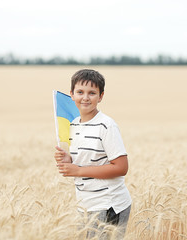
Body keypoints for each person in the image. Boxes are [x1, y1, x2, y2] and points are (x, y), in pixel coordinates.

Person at [54, 69, 132, 239]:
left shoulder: (106, 126)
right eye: (80, 92)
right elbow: (87, 159)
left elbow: (121, 167)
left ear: (101, 96)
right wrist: (69, 160)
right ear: (72, 95)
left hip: (109, 205)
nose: (85, 97)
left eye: (92, 93)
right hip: (85, 204)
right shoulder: (74, 124)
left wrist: (78, 170)